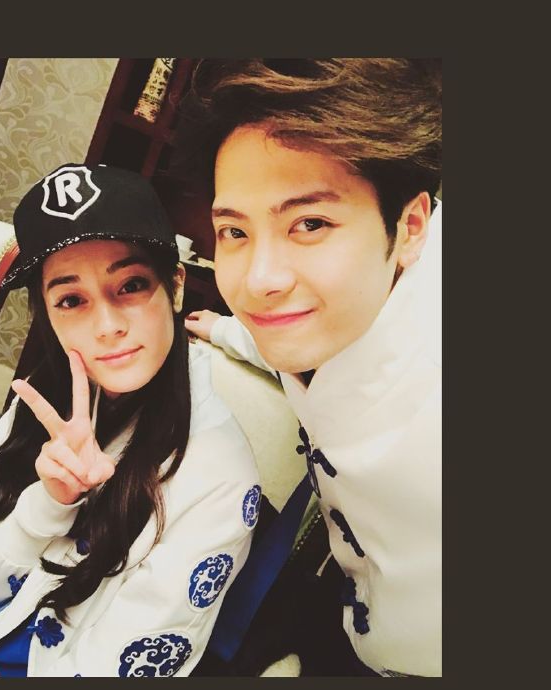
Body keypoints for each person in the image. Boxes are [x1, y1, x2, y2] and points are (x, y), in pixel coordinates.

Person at [176, 59, 442, 677]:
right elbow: (295, 348)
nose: (259, 281)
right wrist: (224, 330)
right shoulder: (340, 306)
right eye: (234, 231)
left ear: (410, 227)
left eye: (310, 224)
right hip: (346, 591)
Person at [0, 163, 260, 677]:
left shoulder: (217, 477)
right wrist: (47, 505)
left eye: (130, 285)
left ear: (175, 287)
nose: (107, 327)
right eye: (71, 300)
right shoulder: (45, 397)